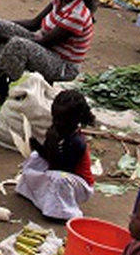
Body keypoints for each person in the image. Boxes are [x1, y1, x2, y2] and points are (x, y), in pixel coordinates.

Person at [16, 88, 97, 220]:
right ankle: (34, 194)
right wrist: (36, 145)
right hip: (58, 170)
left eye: (63, 120)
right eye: (55, 118)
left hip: (78, 184)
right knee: (35, 157)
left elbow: (62, 169)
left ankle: (62, 212)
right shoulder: (56, 129)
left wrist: (53, 146)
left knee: (58, 178)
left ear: (76, 119)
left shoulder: (76, 142)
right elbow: (47, 156)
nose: (57, 123)